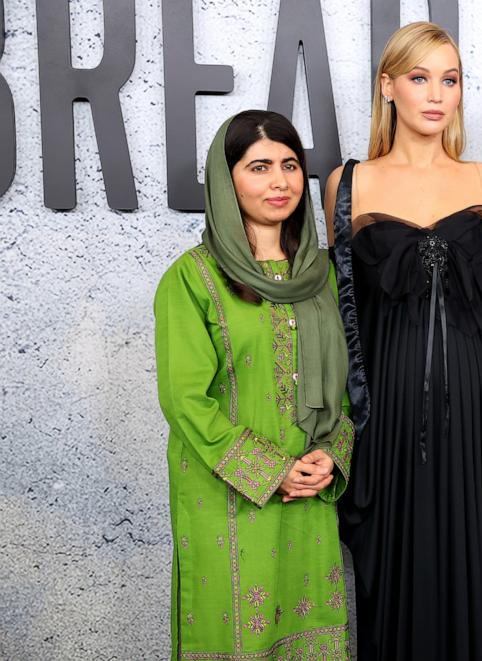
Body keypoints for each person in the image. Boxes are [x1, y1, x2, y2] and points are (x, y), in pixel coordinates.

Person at [323, 22, 482, 661]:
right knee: (398, 558)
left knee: (480, 554)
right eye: (419, 78)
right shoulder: (349, 183)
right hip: (390, 411)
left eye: (448, 80)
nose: (435, 94)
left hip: (481, 404)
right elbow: (344, 311)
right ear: (387, 87)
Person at [154, 110, 353, 660]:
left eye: (290, 166)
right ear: (227, 179)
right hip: (226, 497)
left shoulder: (323, 277)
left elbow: (347, 387)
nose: (279, 182)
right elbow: (185, 400)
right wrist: (271, 470)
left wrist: (331, 456)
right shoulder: (192, 278)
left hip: (309, 496)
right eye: (259, 167)